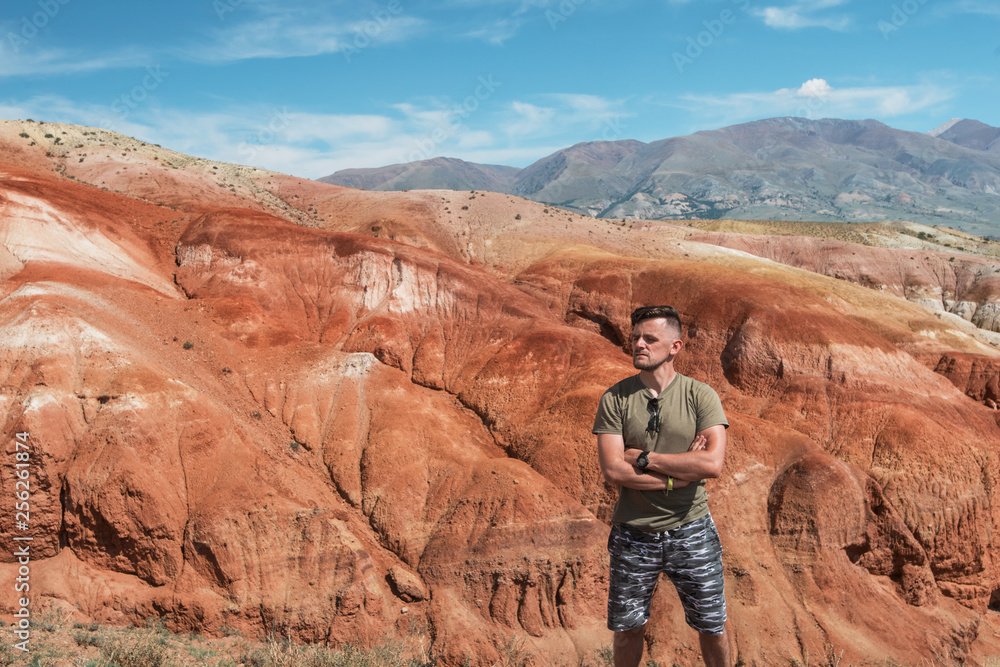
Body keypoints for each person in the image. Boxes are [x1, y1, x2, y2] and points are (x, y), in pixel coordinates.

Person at [593, 305, 731, 667]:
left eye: (649, 339)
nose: (639, 344)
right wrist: (680, 476)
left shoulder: (701, 396)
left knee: (712, 625)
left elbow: (712, 464)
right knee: (626, 629)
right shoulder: (614, 400)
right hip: (633, 533)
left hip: (692, 529)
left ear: (675, 347)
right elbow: (613, 470)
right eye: (636, 337)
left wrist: (643, 458)